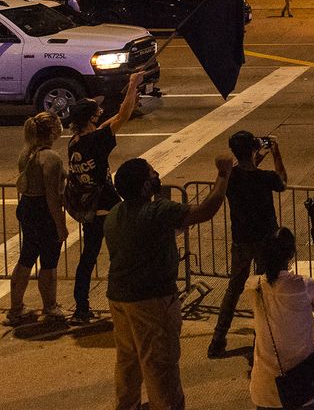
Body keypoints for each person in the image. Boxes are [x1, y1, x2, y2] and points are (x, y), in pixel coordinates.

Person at [106, 155, 233, 410]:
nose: (156, 175)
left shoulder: (116, 213)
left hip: (119, 298)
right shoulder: (156, 211)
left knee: (128, 361)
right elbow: (206, 210)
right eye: (152, 173)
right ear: (144, 186)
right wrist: (223, 174)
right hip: (151, 301)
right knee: (160, 366)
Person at [64, 71, 143, 325]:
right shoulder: (97, 140)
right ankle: (127, 300)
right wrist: (132, 85)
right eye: (95, 111)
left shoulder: (75, 142)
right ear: (90, 118)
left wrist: (130, 93)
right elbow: (123, 116)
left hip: (89, 210)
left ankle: (81, 306)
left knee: (88, 258)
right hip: (108, 209)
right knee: (124, 256)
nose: (99, 112)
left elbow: (112, 119)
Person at [209, 131, 289, 358]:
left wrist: (251, 157)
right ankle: (262, 340)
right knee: (265, 288)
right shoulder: (265, 178)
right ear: (253, 149)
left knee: (233, 289)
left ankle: (218, 339)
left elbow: (241, 172)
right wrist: (275, 153)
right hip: (265, 240)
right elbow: (282, 180)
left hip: (241, 240)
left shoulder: (230, 177)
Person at [250, 227, 314, 410]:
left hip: (266, 386)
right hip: (303, 381)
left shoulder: (254, 287)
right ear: (291, 254)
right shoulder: (304, 285)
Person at [6, 111, 68, 325]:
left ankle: (16, 308)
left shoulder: (26, 154)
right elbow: (52, 196)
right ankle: (50, 306)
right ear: (52, 131)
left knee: (27, 257)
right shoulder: (51, 158)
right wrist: (61, 225)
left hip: (27, 207)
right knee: (49, 262)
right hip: (43, 211)